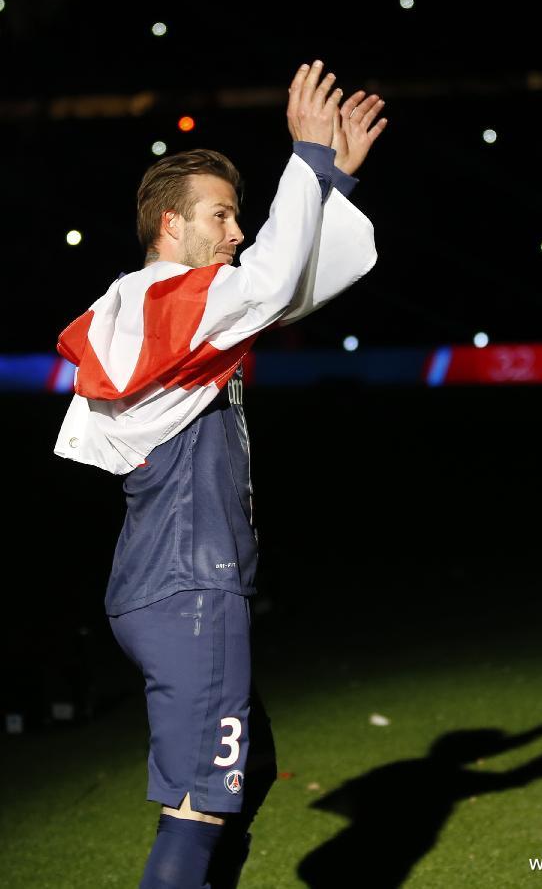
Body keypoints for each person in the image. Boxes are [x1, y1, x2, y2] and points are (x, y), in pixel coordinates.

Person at [53, 60, 387, 888]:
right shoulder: (158, 300)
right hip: (189, 589)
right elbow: (270, 280)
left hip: (178, 586)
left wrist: (332, 176)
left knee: (246, 770)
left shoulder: (189, 315)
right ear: (170, 227)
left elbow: (282, 287)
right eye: (221, 215)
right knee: (203, 803)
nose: (236, 232)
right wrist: (307, 158)